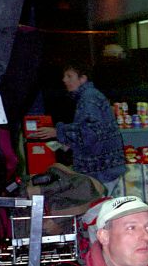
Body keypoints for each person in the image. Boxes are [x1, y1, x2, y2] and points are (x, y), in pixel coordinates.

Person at [35, 62, 126, 195]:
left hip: (100, 169)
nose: (64, 80)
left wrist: (58, 131)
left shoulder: (88, 99)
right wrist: (67, 142)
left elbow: (89, 133)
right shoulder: (91, 96)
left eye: (69, 76)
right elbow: (93, 131)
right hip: (106, 167)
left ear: (82, 79)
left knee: (96, 208)